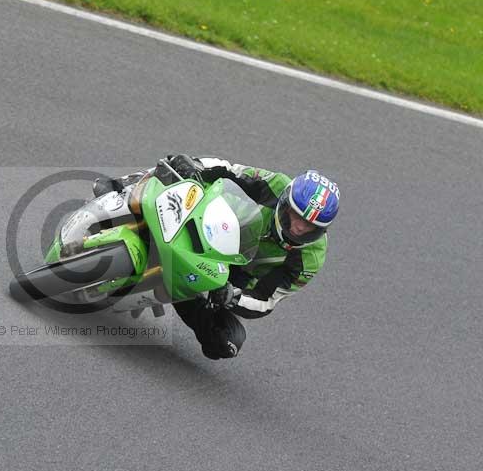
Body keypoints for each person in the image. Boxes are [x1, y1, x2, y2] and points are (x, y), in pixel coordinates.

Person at [93, 154, 340, 360]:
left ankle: (175, 288)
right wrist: (196, 166)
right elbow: (229, 170)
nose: (298, 228)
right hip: (219, 224)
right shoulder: (274, 184)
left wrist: (233, 295)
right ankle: (122, 190)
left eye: (309, 227)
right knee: (176, 166)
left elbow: (266, 300)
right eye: (295, 216)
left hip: (232, 275)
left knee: (226, 342)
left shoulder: (309, 259)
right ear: (285, 202)